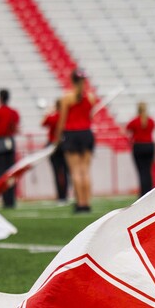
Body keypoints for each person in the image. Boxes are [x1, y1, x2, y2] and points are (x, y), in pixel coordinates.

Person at [54, 69, 97, 213]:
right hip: (86, 134)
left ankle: (80, 203)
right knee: (85, 171)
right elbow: (89, 117)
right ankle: (87, 202)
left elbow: (62, 121)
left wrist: (57, 137)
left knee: (75, 171)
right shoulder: (90, 97)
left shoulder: (67, 98)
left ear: (72, 81)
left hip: (72, 135)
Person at [0, 88, 20, 208]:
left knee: (1, 173)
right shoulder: (13, 112)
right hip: (9, 140)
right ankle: (11, 199)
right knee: (11, 172)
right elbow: (16, 127)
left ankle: (4, 199)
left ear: (0, 98)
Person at [126, 102, 155, 197]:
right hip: (150, 146)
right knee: (148, 170)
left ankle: (143, 193)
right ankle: (149, 192)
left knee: (141, 171)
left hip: (138, 146)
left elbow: (127, 129)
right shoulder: (150, 120)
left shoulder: (135, 121)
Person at [41, 100, 69, 202]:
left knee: (57, 171)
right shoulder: (64, 116)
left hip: (53, 145)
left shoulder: (53, 116)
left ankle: (60, 195)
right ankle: (65, 194)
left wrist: (48, 111)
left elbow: (43, 123)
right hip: (64, 145)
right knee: (65, 171)